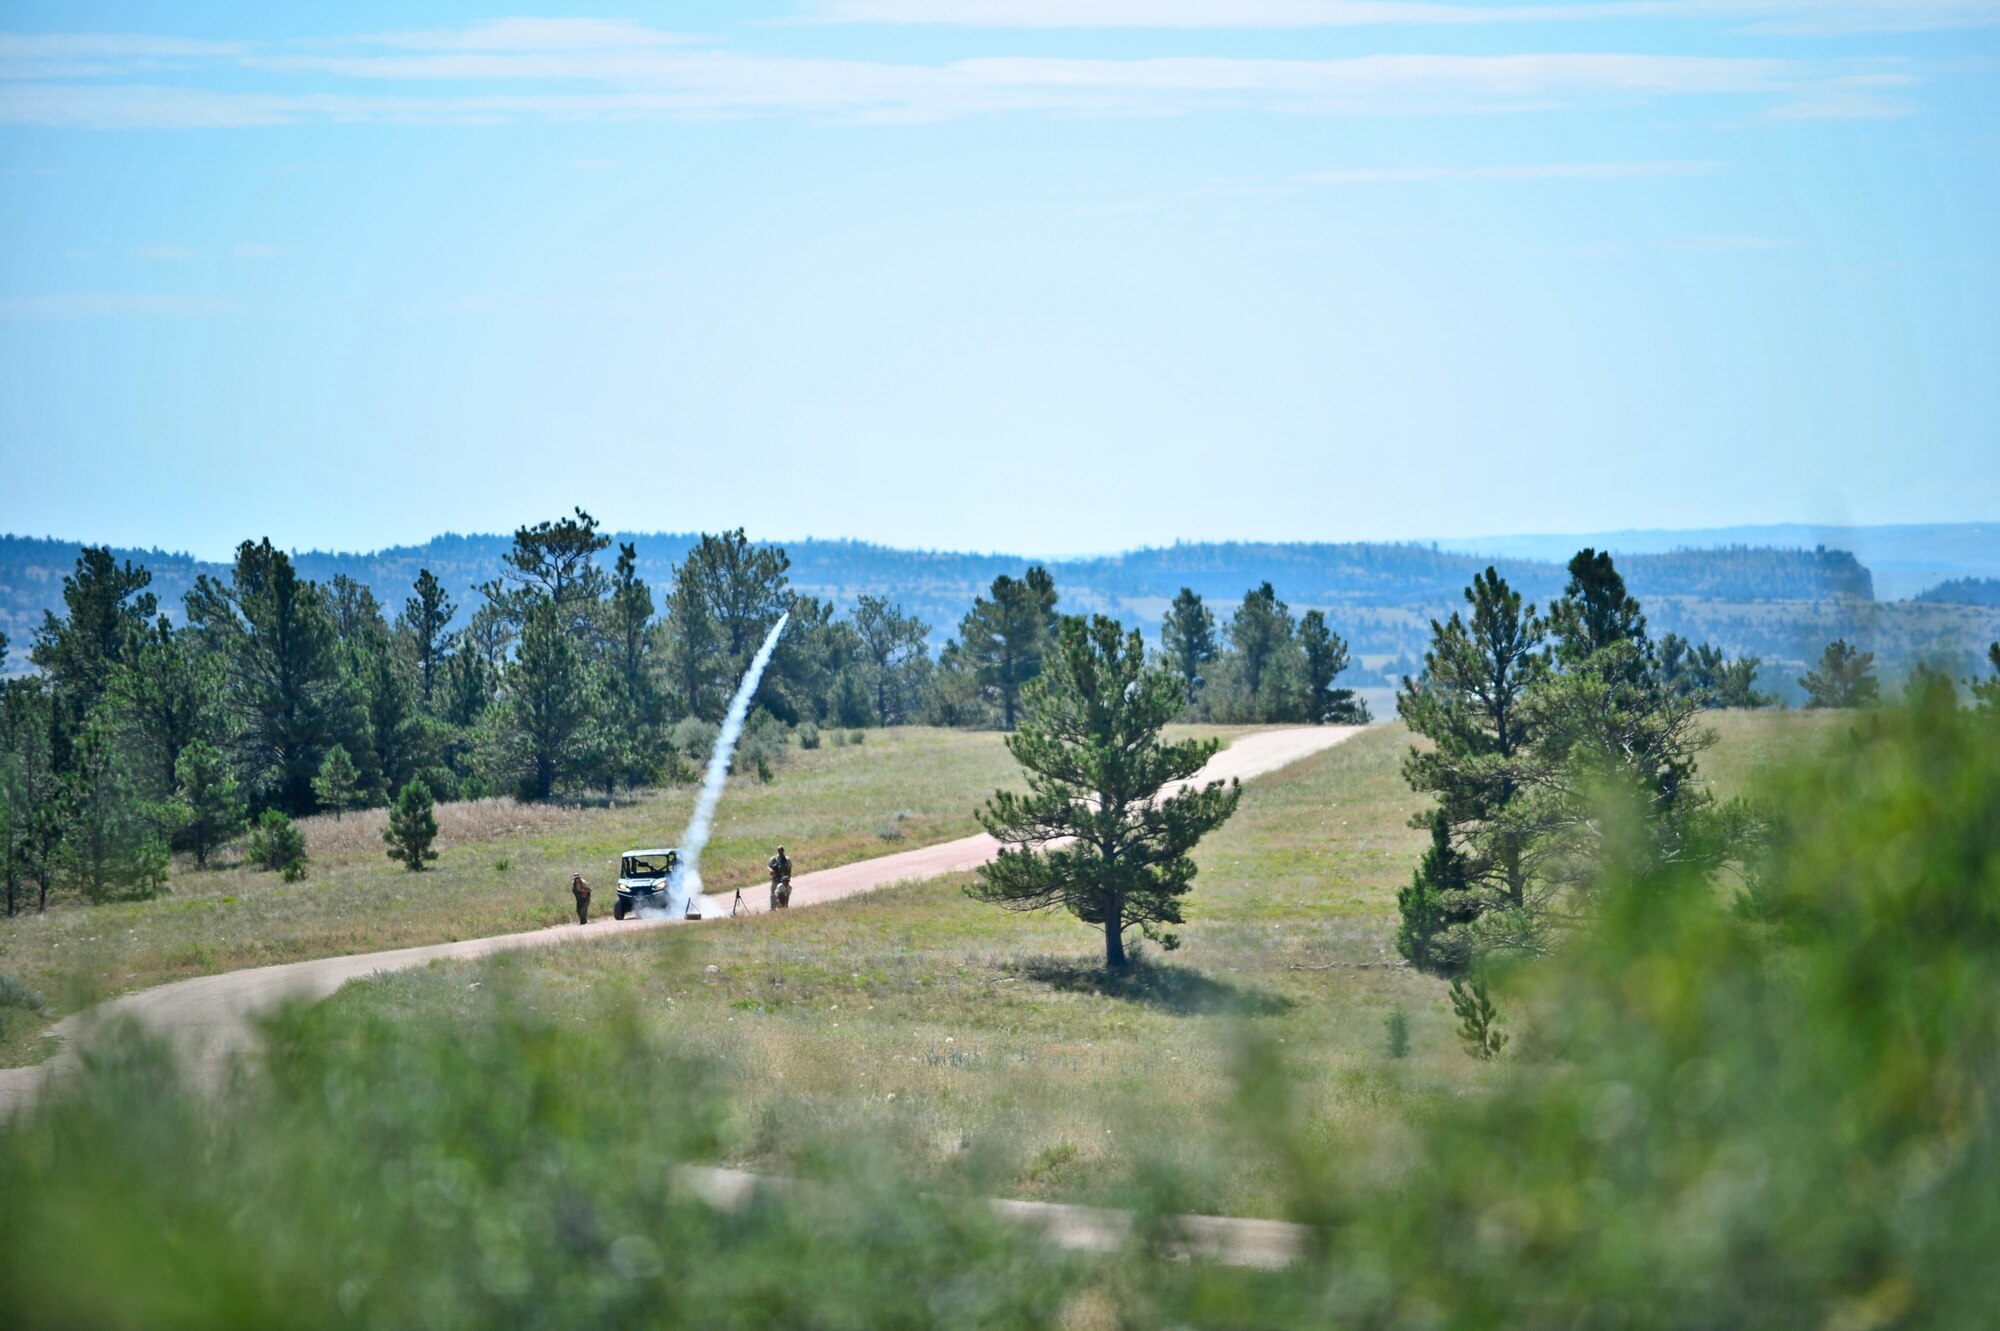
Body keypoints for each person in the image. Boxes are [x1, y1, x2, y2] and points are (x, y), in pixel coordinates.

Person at [768, 846, 792, 910]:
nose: (780, 851)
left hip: (783, 880)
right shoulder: (774, 859)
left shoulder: (787, 859)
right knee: (773, 894)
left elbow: (789, 868)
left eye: (781, 850)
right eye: (779, 850)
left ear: (783, 850)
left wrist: (788, 879)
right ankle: (773, 908)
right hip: (775, 879)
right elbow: (769, 866)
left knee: (782, 894)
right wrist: (771, 870)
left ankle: (782, 907)